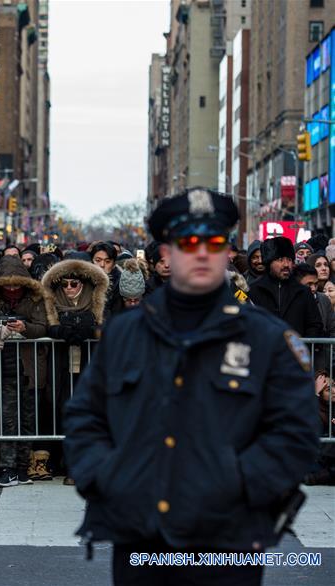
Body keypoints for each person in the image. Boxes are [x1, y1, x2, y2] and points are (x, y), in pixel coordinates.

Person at [64, 187, 319, 586]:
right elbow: (86, 418)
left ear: (228, 253)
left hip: (227, 538)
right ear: (167, 253)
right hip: (141, 535)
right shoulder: (126, 333)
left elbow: (296, 433)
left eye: (214, 243)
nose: (202, 252)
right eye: (188, 243)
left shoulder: (266, 338)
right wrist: (108, 477)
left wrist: (237, 484)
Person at [0, 256, 48, 488]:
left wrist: (24, 328)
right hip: (4, 367)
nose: (11, 288)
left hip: (29, 368)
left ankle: (22, 468)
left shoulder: (35, 299)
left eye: (15, 283)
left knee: (28, 418)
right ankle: (7, 468)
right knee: (8, 419)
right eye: (7, 283)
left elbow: (43, 327)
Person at [42, 258, 108, 485]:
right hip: (62, 367)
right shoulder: (52, 304)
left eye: (74, 283)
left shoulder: (96, 302)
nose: (69, 288)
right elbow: (43, 327)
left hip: (90, 368)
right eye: (65, 284)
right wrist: (58, 331)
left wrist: (91, 330)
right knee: (65, 413)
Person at [247, 237, 324, 338]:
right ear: (269, 262)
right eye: (280, 259)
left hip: (295, 352)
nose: (286, 264)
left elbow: (315, 325)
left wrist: (304, 347)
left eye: (289, 259)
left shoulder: (303, 292)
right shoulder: (253, 290)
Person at [294, 264, 335, 337]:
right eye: (309, 284)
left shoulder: (324, 299)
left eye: (316, 284)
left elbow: (333, 330)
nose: (313, 288)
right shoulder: (289, 299)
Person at [90, 242, 124, 317]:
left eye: (107, 261)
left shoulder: (121, 284)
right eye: (98, 260)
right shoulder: (83, 282)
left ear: (114, 264)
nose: (102, 265)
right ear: (92, 261)